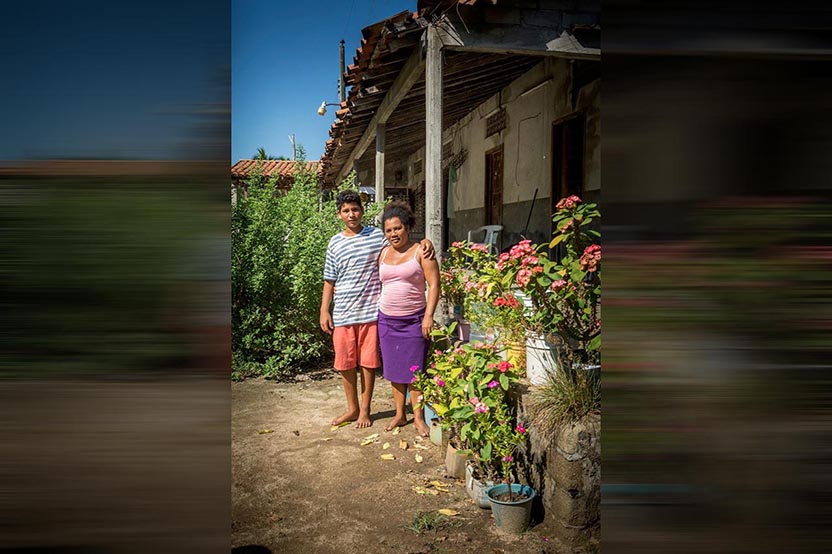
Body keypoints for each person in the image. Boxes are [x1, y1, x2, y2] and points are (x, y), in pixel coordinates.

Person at [320, 191, 434, 429]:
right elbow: (329, 280)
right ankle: (352, 409)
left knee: (369, 364)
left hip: (372, 314)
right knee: (345, 364)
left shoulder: (376, 237)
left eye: (355, 209)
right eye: (345, 210)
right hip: (344, 314)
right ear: (339, 214)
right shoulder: (335, 242)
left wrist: (426, 241)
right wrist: (324, 310)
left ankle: (365, 411)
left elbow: (405, 243)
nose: (351, 214)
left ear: (362, 211)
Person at [377, 201, 440, 436]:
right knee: (394, 370)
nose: (394, 234)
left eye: (398, 228)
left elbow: (434, 285)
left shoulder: (421, 251)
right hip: (387, 320)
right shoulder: (383, 252)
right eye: (389, 230)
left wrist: (428, 316)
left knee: (415, 371)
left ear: (408, 227)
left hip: (414, 320)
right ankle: (399, 415)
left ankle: (418, 418)